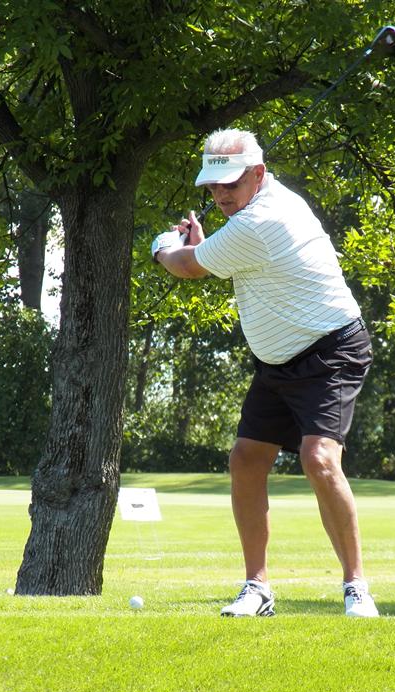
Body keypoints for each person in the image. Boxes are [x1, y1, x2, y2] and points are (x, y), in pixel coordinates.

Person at [151, 128, 378, 618]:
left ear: (258, 174)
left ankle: (357, 587)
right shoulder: (254, 215)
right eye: (212, 188)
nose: (220, 196)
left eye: (229, 184)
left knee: (318, 458)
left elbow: (187, 267)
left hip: (329, 351)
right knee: (247, 460)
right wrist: (209, 246)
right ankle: (257, 588)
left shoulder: (264, 220)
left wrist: (163, 245)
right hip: (278, 359)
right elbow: (232, 260)